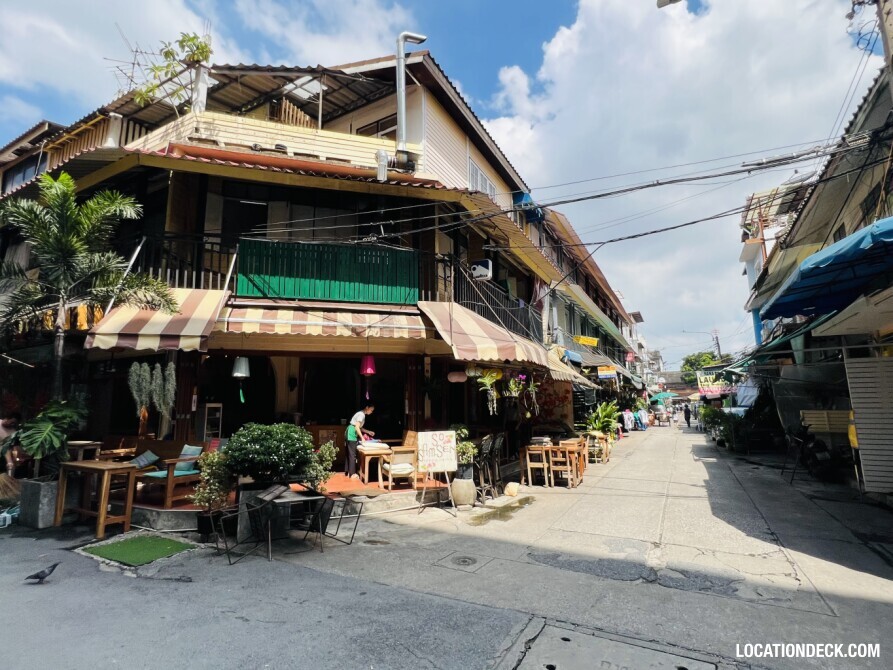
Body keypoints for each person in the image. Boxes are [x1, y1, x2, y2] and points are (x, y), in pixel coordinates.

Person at [345, 402, 375, 480]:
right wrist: (362, 438)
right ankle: (352, 474)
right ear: (367, 407)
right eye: (371, 410)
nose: (371, 412)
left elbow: (359, 427)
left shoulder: (362, 414)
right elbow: (357, 427)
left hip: (351, 432)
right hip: (351, 433)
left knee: (350, 452)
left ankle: (348, 471)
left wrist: (368, 432)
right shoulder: (361, 414)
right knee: (352, 454)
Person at [1, 412, 22, 477]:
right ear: (7, 418)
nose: (12, 424)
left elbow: (15, 447)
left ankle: (9, 480)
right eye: (12, 422)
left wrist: (16, 458)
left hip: (5, 455)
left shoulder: (13, 432)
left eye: (14, 423)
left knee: (10, 464)